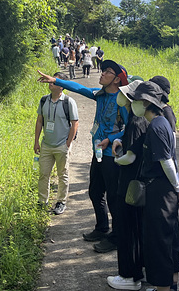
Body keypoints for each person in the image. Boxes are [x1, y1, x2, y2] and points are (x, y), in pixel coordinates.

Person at [38, 59, 129, 253]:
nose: (102, 73)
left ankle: (116, 237)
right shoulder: (100, 95)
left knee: (114, 197)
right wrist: (56, 80)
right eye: (103, 70)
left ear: (117, 79)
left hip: (112, 155)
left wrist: (112, 138)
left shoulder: (122, 100)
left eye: (107, 71)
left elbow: (130, 128)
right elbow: (79, 88)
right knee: (95, 192)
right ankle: (102, 228)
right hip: (98, 153)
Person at [128, 80, 179, 291]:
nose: (134, 105)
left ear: (146, 103)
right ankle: (172, 283)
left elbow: (166, 161)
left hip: (160, 192)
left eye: (136, 101)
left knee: (159, 241)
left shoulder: (156, 126)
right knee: (170, 238)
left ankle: (163, 287)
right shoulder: (161, 122)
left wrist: (178, 186)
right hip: (165, 191)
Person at [107, 79, 148, 291]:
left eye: (125, 94)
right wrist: (121, 142)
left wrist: (116, 159)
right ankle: (137, 271)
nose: (120, 96)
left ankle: (128, 276)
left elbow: (130, 157)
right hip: (137, 184)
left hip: (129, 184)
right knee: (136, 229)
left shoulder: (135, 121)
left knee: (126, 229)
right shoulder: (140, 119)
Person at [34, 72, 79, 215]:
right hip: (46, 144)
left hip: (62, 145)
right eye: (51, 80)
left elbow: (75, 124)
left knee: (62, 175)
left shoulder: (68, 102)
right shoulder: (44, 100)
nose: (50, 83)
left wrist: (67, 144)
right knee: (43, 174)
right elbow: (39, 121)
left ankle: (61, 202)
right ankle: (42, 201)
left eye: (54, 81)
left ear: (62, 86)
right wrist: (36, 142)